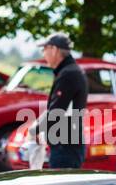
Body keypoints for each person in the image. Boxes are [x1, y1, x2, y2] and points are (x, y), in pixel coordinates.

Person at [33, 33, 88, 169]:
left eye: (44, 49)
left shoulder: (69, 74)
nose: (43, 54)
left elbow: (56, 111)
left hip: (66, 149)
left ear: (54, 49)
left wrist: (33, 130)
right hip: (66, 146)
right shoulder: (69, 71)